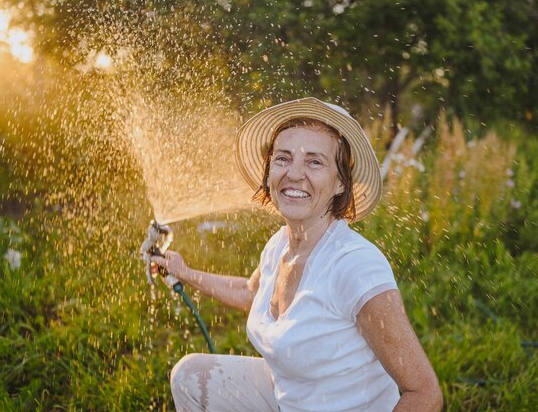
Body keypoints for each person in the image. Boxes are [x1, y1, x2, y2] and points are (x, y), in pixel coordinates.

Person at [151, 98, 443, 412]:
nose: (294, 173)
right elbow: (252, 292)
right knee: (190, 377)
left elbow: (424, 393)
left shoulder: (356, 267)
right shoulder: (280, 244)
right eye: (283, 158)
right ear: (268, 172)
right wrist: (184, 271)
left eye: (315, 162)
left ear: (340, 183)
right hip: (289, 398)